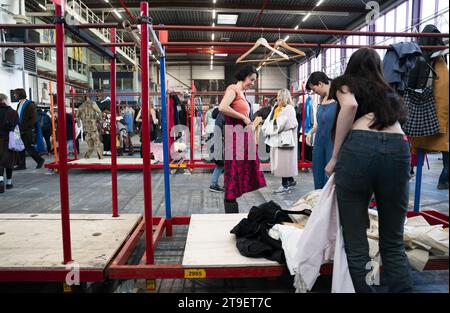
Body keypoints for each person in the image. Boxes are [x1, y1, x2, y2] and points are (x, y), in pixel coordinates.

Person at [326, 48, 413, 293]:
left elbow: (350, 106)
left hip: (359, 150)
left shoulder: (345, 83)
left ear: (352, 66)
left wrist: (334, 157)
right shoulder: (388, 92)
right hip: (398, 148)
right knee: (393, 242)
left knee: (357, 245)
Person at [219, 64, 266, 213]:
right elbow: (222, 107)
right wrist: (244, 119)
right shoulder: (233, 89)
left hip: (240, 137)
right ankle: (230, 209)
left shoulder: (242, 93)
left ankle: (232, 207)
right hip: (234, 137)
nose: (252, 83)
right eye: (251, 79)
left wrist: (249, 123)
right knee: (233, 174)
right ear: (244, 76)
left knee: (239, 173)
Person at [262, 88, 298, 194]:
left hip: (285, 141)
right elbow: (273, 120)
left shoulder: (289, 108)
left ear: (284, 97)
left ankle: (285, 186)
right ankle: (290, 181)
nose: (278, 98)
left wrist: (274, 125)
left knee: (284, 163)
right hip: (279, 139)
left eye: (280, 96)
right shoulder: (278, 108)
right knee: (284, 162)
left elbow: (290, 124)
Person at [305, 72, 337, 189]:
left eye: (314, 89)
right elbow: (321, 123)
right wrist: (310, 132)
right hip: (319, 144)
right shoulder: (322, 100)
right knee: (317, 174)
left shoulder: (339, 99)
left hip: (332, 144)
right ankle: (318, 204)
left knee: (329, 178)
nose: (314, 92)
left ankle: (329, 205)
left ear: (320, 84)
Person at [13, 88, 45, 170]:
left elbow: (34, 119)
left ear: (20, 94)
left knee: (28, 147)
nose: (14, 95)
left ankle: (40, 160)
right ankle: (21, 165)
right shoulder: (19, 104)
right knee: (20, 147)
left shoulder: (30, 104)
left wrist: (25, 128)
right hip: (20, 130)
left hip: (26, 130)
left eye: (15, 94)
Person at [0, 94, 19, 193]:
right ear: (4, 100)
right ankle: (9, 183)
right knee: (8, 161)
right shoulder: (12, 112)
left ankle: (0, 180)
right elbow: (16, 126)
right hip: (8, 140)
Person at [208, 106, 225, 193]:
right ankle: (214, 185)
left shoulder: (219, 116)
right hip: (221, 144)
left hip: (219, 144)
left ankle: (214, 184)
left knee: (221, 165)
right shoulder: (222, 115)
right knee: (222, 165)